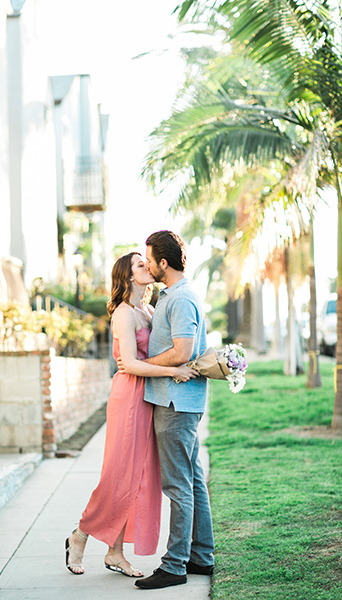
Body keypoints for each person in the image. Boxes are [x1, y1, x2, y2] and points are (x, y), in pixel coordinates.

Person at [65, 252, 197, 577]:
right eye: (140, 264)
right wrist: (173, 372)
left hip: (148, 396)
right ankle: (79, 535)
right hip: (128, 397)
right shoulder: (123, 314)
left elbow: (155, 354)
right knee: (118, 475)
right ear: (127, 276)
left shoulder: (149, 310)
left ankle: (115, 553)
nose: (147, 266)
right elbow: (130, 364)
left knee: (138, 477)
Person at [132, 230, 215, 590]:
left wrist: (148, 362)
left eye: (150, 259)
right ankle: (201, 557)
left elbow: (182, 352)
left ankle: (175, 565)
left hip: (174, 402)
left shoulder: (181, 299)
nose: (147, 265)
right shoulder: (173, 296)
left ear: (164, 262)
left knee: (177, 485)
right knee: (193, 480)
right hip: (179, 400)